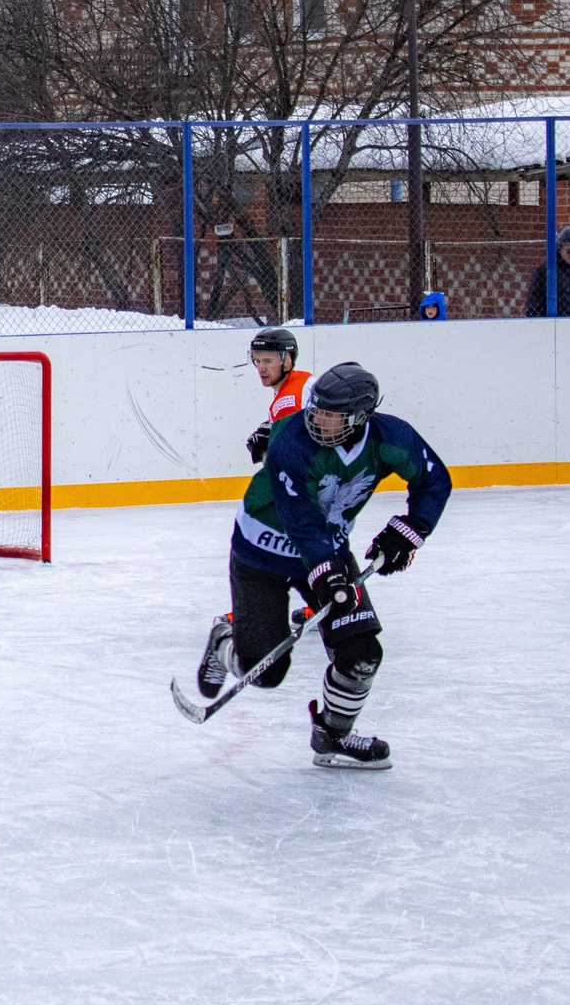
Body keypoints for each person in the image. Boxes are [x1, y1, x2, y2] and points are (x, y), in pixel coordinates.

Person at [191, 362, 452, 769]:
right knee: (266, 671)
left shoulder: (392, 438)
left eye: (332, 416)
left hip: (326, 551)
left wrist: (411, 529)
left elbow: (434, 480)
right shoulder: (290, 441)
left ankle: (332, 736)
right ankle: (225, 640)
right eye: (316, 410)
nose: (318, 421)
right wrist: (327, 572)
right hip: (262, 554)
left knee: (362, 654)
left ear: (361, 418)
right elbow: (301, 519)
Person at [245, 327, 311, 464]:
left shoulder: (288, 399)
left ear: (287, 361)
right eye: (257, 361)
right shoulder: (300, 379)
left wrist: (268, 454)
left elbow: (295, 462)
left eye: (268, 361)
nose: (261, 368)